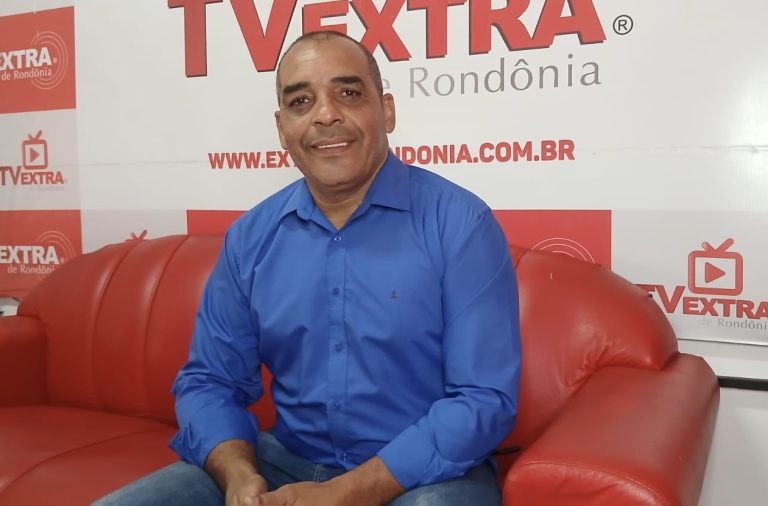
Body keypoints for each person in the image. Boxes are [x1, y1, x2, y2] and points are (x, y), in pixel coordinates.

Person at [96, 31, 520, 506]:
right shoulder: (250, 239)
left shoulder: (460, 224)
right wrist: (238, 476)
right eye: (301, 101)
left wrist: (345, 493)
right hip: (283, 461)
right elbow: (210, 381)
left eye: (348, 93)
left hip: (423, 476)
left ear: (387, 111)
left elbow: (483, 401)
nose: (325, 115)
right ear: (283, 129)